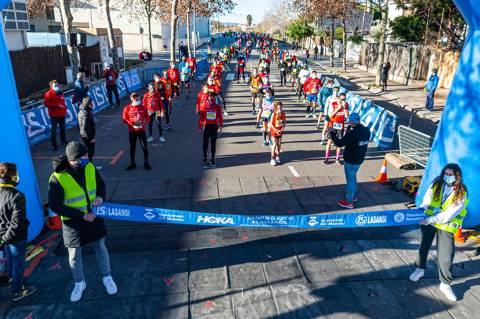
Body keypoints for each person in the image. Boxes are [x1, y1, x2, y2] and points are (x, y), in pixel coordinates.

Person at [48, 142, 117, 302]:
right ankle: (79, 283)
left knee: (101, 247)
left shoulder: (89, 167)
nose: (87, 158)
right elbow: (55, 205)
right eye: (84, 156)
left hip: (94, 217)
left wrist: (100, 197)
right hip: (73, 224)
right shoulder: (57, 177)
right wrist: (81, 215)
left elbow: (100, 185)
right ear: (74, 159)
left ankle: (107, 277)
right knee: (74, 255)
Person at [409, 163, 468, 302]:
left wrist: (429, 220)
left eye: (450, 174)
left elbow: (449, 214)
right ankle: (419, 269)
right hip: (429, 221)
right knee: (423, 246)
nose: (447, 177)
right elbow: (426, 201)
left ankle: (445, 283)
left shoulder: (461, 192)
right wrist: (420, 214)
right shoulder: (436, 185)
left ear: (457, 176)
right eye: (445, 174)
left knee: (446, 254)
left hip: (445, 225)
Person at [0, 163, 37, 301]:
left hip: (3, 235)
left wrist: (3, 238)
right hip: (16, 237)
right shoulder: (17, 195)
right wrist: (6, 238)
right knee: (18, 263)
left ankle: (12, 281)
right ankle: (17, 291)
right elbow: (17, 223)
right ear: (13, 176)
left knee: (9, 260)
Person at [329, 113, 370, 209]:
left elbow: (339, 143)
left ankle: (349, 201)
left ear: (351, 122)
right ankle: (353, 195)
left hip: (351, 160)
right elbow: (356, 139)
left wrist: (331, 133)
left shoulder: (352, 133)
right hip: (359, 159)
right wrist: (348, 131)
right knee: (353, 177)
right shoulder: (366, 130)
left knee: (350, 180)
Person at [122, 93, 152, 171]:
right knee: (132, 147)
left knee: (144, 147)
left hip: (141, 130)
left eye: (138, 98)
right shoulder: (127, 108)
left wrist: (144, 122)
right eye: (135, 98)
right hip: (132, 131)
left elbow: (148, 118)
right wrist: (132, 124)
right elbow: (124, 119)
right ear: (131, 99)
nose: (137, 99)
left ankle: (146, 162)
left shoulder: (143, 107)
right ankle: (132, 163)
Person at [198, 92, 223, 168]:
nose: (214, 99)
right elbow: (201, 117)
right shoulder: (204, 106)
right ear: (209, 97)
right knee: (205, 143)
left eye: (215, 98)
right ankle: (205, 156)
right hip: (206, 126)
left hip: (214, 126)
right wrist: (200, 126)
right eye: (213, 98)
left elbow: (220, 117)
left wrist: (220, 126)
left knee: (213, 143)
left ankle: (212, 159)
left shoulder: (217, 107)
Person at [325, 92, 349, 165]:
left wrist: (344, 108)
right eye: (341, 99)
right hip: (332, 125)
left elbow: (347, 116)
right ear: (338, 98)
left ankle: (337, 159)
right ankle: (326, 158)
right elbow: (329, 116)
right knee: (330, 141)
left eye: (344, 99)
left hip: (340, 125)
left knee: (339, 143)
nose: (343, 101)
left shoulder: (346, 105)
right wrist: (338, 108)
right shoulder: (333, 104)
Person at [44, 80, 67, 151]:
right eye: (55, 85)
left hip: (61, 114)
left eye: (57, 85)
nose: (57, 86)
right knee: (53, 131)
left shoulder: (60, 92)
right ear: (51, 86)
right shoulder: (48, 93)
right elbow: (46, 104)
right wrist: (57, 105)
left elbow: (62, 102)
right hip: (54, 115)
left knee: (62, 128)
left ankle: (63, 141)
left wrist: (64, 109)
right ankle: (54, 145)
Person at [77, 97, 99, 168]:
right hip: (87, 136)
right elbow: (85, 127)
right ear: (88, 104)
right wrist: (91, 137)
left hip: (84, 134)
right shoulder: (86, 113)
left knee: (89, 152)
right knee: (90, 152)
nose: (92, 104)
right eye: (91, 103)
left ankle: (89, 165)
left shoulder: (83, 110)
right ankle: (89, 166)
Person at [269, 101, 286, 166]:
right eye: (278, 108)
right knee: (274, 144)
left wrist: (282, 129)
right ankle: (272, 159)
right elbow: (270, 124)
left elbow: (284, 123)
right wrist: (275, 130)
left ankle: (277, 156)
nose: (280, 109)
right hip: (274, 131)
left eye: (281, 108)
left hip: (280, 131)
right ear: (276, 108)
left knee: (279, 145)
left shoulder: (283, 114)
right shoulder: (274, 114)